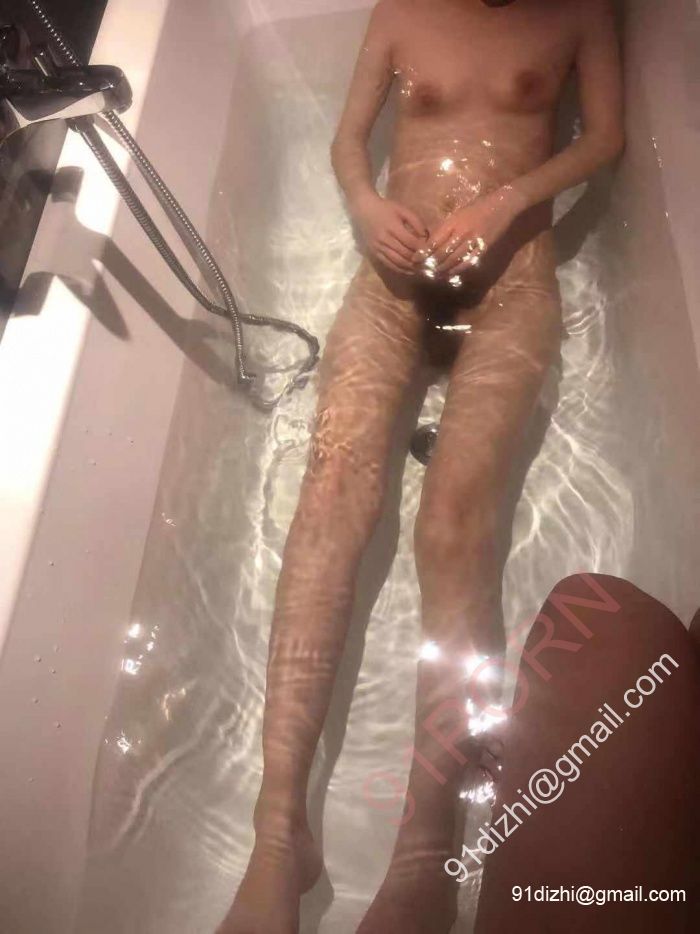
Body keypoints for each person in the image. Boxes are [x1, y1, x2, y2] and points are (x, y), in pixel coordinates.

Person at [218, 1, 624, 931]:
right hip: (392, 281)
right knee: (331, 491)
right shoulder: (400, 7)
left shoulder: (581, 11)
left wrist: (508, 200)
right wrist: (367, 208)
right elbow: (347, 142)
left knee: (451, 523)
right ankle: (279, 833)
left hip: (513, 278)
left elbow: (603, 138)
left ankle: (425, 848)